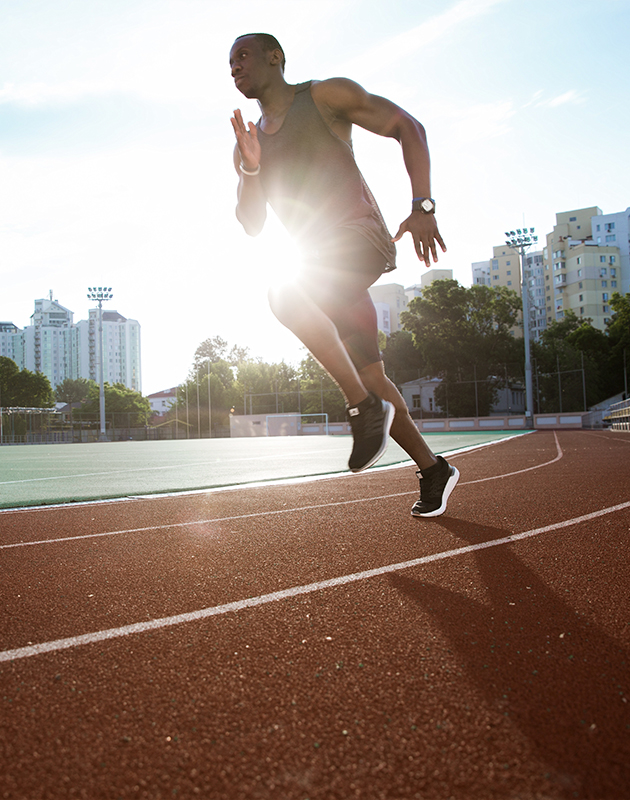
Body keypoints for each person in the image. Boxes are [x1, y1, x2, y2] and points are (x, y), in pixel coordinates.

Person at [229, 33, 459, 517]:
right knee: (374, 376)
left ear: (276, 57)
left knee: (283, 292)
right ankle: (432, 467)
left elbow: (408, 127)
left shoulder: (326, 96)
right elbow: (252, 225)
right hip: (324, 269)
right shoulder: (249, 142)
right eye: (229, 63)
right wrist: (251, 169)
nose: (234, 67)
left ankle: (361, 409)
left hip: (358, 240)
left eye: (243, 56)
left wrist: (423, 206)